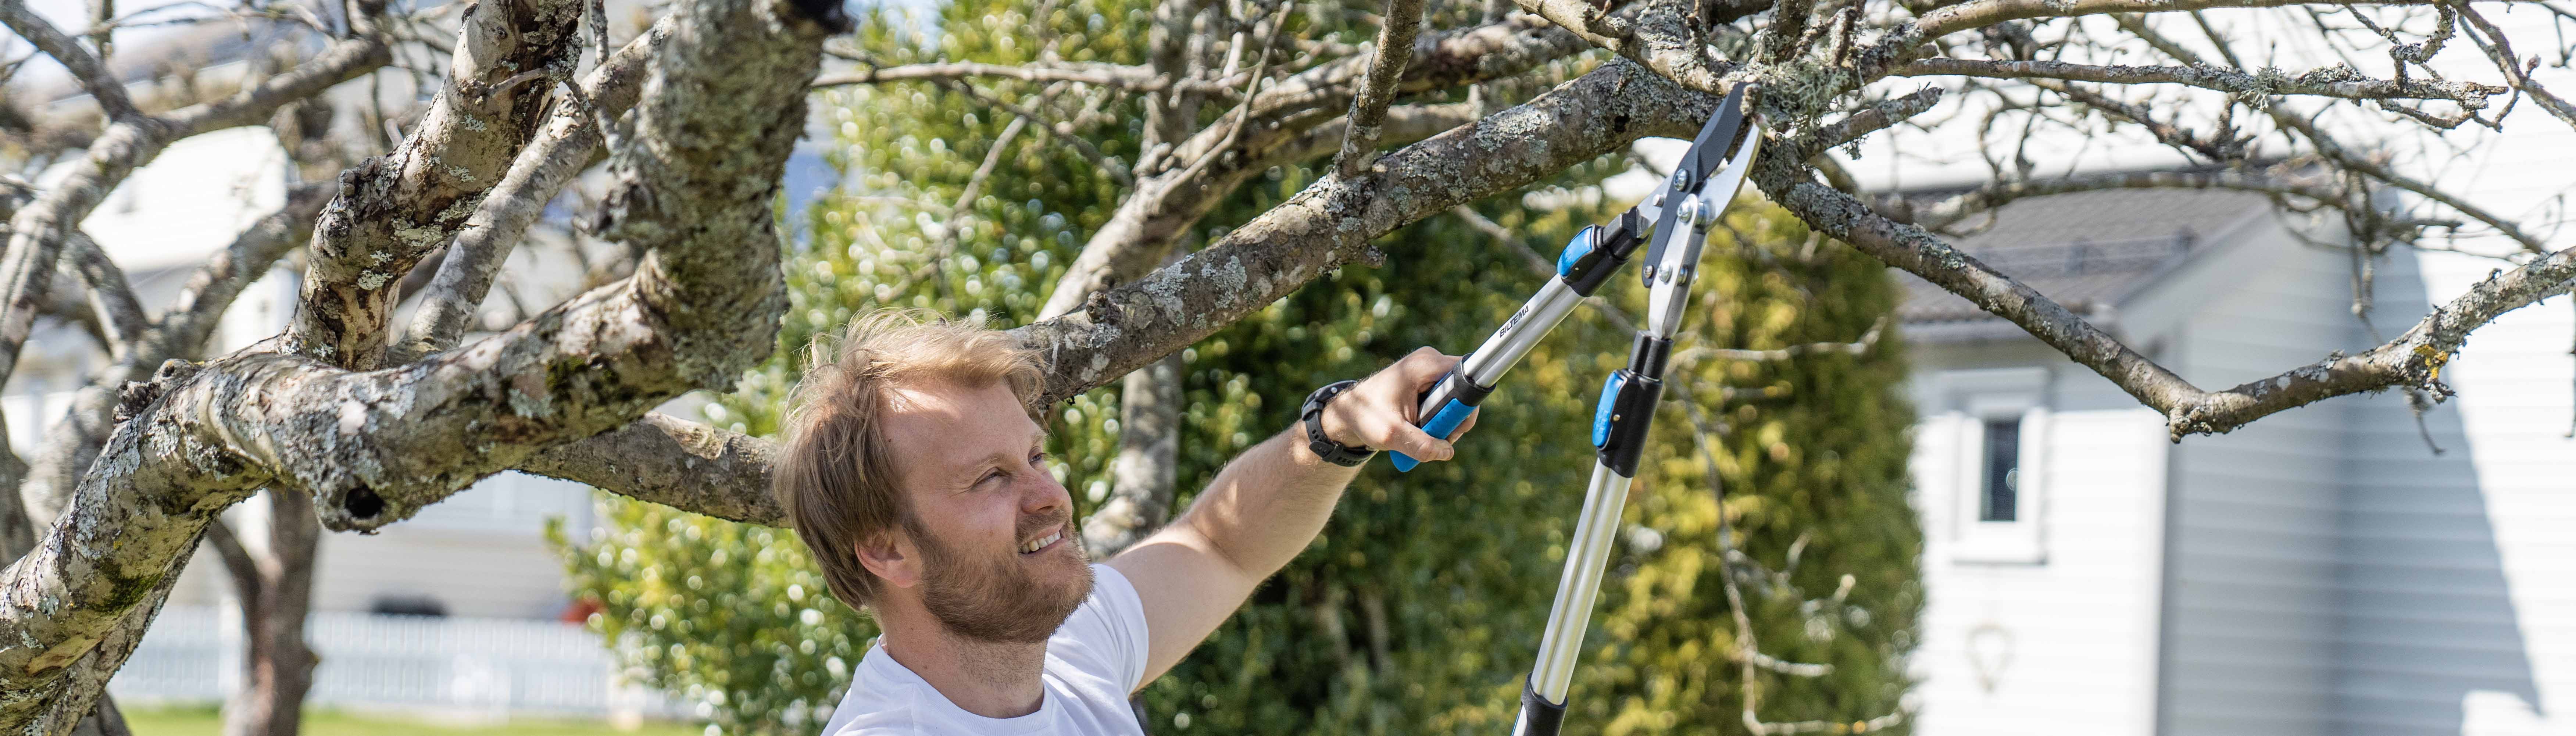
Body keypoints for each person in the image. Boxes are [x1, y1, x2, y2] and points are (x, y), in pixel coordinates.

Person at [777, 309, 1478, 735]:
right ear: (885, 550)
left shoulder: (1069, 646)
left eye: (1035, 454)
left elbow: (1220, 544)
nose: (1050, 494)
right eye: (991, 477)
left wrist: (1337, 428)